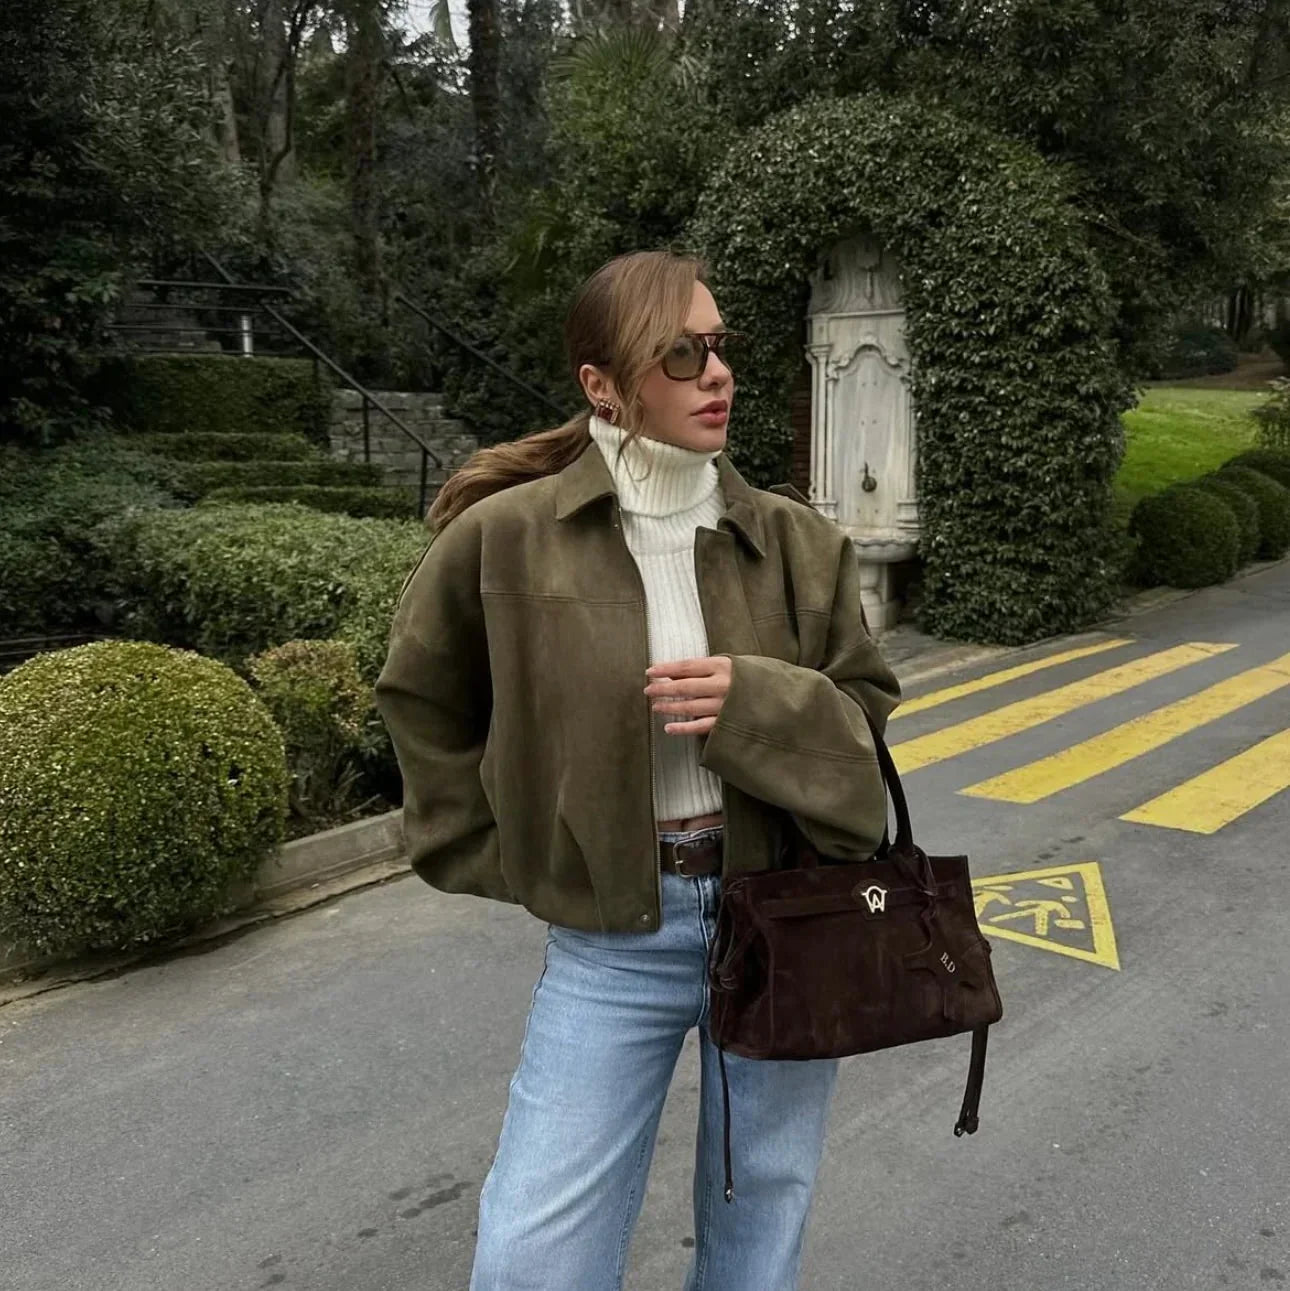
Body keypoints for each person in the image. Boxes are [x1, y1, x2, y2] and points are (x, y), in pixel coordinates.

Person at [374, 249, 901, 1291]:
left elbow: (865, 721)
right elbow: (422, 695)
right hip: (613, 941)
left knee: (760, 1218)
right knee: (533, 1253)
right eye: (681, 353)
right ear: (603, 384)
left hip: (785, 915)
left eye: (719, 346)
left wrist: (756, 703)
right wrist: (515, 852)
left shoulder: (795, 541)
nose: (718, 373)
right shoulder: (506, 540)